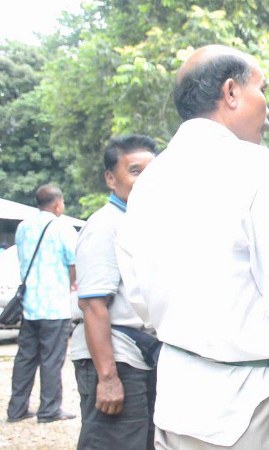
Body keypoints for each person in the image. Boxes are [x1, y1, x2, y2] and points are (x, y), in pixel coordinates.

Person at [116, 45, 269, 448]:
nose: (267, 108)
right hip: (257, 404)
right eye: (261, 89)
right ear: (231, 92)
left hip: (180, 400)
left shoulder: (148, 183)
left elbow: (140, 301)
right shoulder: (256, 165)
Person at [70, 135, 157, 449]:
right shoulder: (104, 226)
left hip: (141, 357)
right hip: (116, 359)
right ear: (110, 178)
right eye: (135, 171)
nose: (146, 180)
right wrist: (107, 378)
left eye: (152, 171)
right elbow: (93, 306)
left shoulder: (142, 223)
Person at [7, 184, 78, 424]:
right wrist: (72, 285)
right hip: (55, 306)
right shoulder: (63, 227)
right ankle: (49, 410)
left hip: (29, 305)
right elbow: (73, 263)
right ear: (57, 204)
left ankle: (16, 409)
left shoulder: (23, 227)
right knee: (52, 359)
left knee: (25, 358)